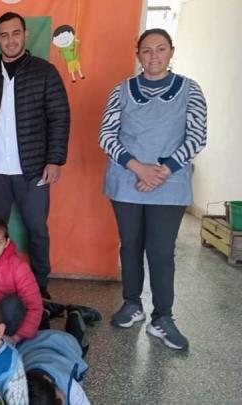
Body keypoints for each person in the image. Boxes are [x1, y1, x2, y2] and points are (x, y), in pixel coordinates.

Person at [99, 28, 207, 351]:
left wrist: (162, 170)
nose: (154, 56)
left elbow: (197, 136)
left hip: (169, 183)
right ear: (138, 54)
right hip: (127, 180)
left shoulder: (190, 91)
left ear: (171, 52)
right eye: (147, 50)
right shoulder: (122, 91)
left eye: (161, 49)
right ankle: (132, 304)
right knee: (130, 244)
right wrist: (138, 168)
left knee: (161, 251)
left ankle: (163, 317)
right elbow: (107, 135)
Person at [0, 12, 70, 299]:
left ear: (25, 35)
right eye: (4, 34)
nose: (10, 40)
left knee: (37, 228)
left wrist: (55, 159)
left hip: (34, 168)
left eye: (15, 33)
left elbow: (59, 117)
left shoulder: (45, 72)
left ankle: (41, 286)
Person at [20, 310, 90, 405]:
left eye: (58, 402)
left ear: (49, 380)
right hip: (34, 342)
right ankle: (44, 311)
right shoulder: (18, 389)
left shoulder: (69, 386)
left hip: (64, 346)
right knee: (41, 330)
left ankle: (74, 314)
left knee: (76, 340)